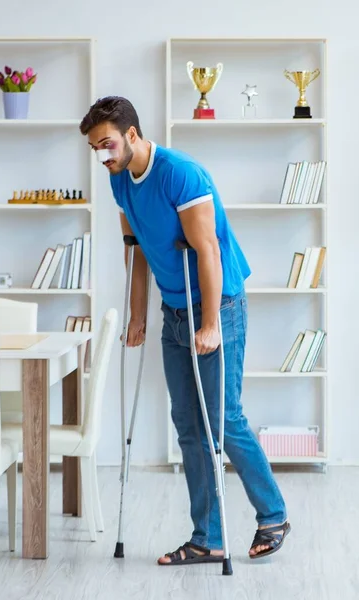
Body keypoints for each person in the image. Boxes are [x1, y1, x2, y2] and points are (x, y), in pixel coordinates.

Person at [79, 96, 291, 565]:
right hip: (174, 311)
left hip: (218, 305)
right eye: (95, 148)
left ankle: (273, 515)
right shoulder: (120, 183)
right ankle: (209, 537)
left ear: (132, 135)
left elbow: (208, 248)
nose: (102, 155)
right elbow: (135, 256)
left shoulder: (181, 174)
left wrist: (213, 323)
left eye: (107, 144)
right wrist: (137, 316)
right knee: (188, 426)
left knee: (224, 419)